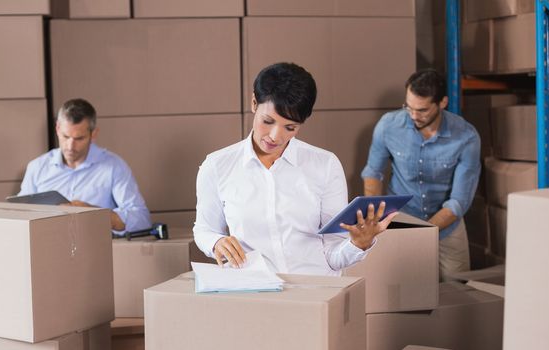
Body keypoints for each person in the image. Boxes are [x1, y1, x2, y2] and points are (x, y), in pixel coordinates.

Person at [193, 62, 396, 276]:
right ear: (254, 102)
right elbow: (204, 229)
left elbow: (333, 256)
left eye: (290, 128)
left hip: (316, 293)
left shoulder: (325, 165)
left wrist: (358, 244)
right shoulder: (217, 166)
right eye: (267, 121)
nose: (274, 136)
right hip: (253, 290)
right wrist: (216, 242)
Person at [361, 68, 481, 280]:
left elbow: (459, 201)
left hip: (447, 227)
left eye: (423, 110)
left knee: (459, 291)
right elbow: (373, 172)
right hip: (399, 220)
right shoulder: (388, 126)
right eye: (409, 107)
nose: (414, 116)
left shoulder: (466, 136)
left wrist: (425, 232)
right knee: (401, 290)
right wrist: (373, 217)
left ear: (442, 103)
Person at [19, 98, 151, 235]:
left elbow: (142, 219)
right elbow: (19, 215)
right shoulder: (37, 167)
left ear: (93, 134)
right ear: (58, 128)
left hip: (96, 249)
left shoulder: (114, 167)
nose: (70, 146)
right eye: (65, 136)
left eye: (79, 138)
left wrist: (93, 214)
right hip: (46, 246)